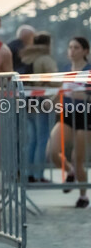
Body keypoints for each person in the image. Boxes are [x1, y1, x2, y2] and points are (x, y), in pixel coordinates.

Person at [45, 37, 91, 208]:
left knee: (78, 158)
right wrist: (49, 101)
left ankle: (83, 196)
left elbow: (85, 94)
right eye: (70, 47)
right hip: (66, 114)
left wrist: (84, 96)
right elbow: (60, 92)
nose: (72, 50)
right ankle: (69, 172)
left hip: (85, 116)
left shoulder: (89, 70)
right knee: (52, 151)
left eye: (76, 47)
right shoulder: (65, 69)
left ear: (85, 51)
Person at [20, 31, 56, 183]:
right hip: (42, 102)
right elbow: (56, 82)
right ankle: (39, 175)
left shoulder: (25, 57)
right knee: (42, 140)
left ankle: (28, 174)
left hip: (26, 102)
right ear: (48, 44)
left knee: (31, 139)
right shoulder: (45, 59)